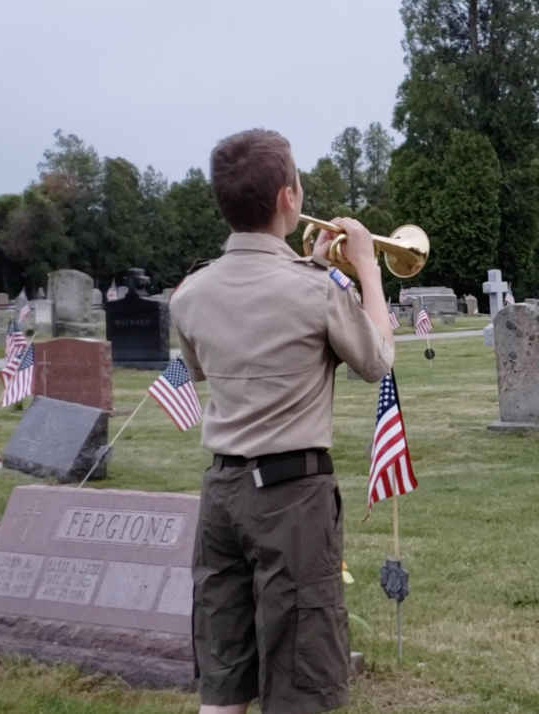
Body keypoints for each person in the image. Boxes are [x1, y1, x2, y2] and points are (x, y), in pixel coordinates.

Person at [171, 128, 395, 714]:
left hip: (221, 494)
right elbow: (376, 360)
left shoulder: (190, 294)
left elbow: (203, 366)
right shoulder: (316, 291)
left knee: (223, 677)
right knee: (300, 680)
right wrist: (367, 269)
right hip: (292, 499)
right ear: (287, 200)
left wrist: (309, 266)